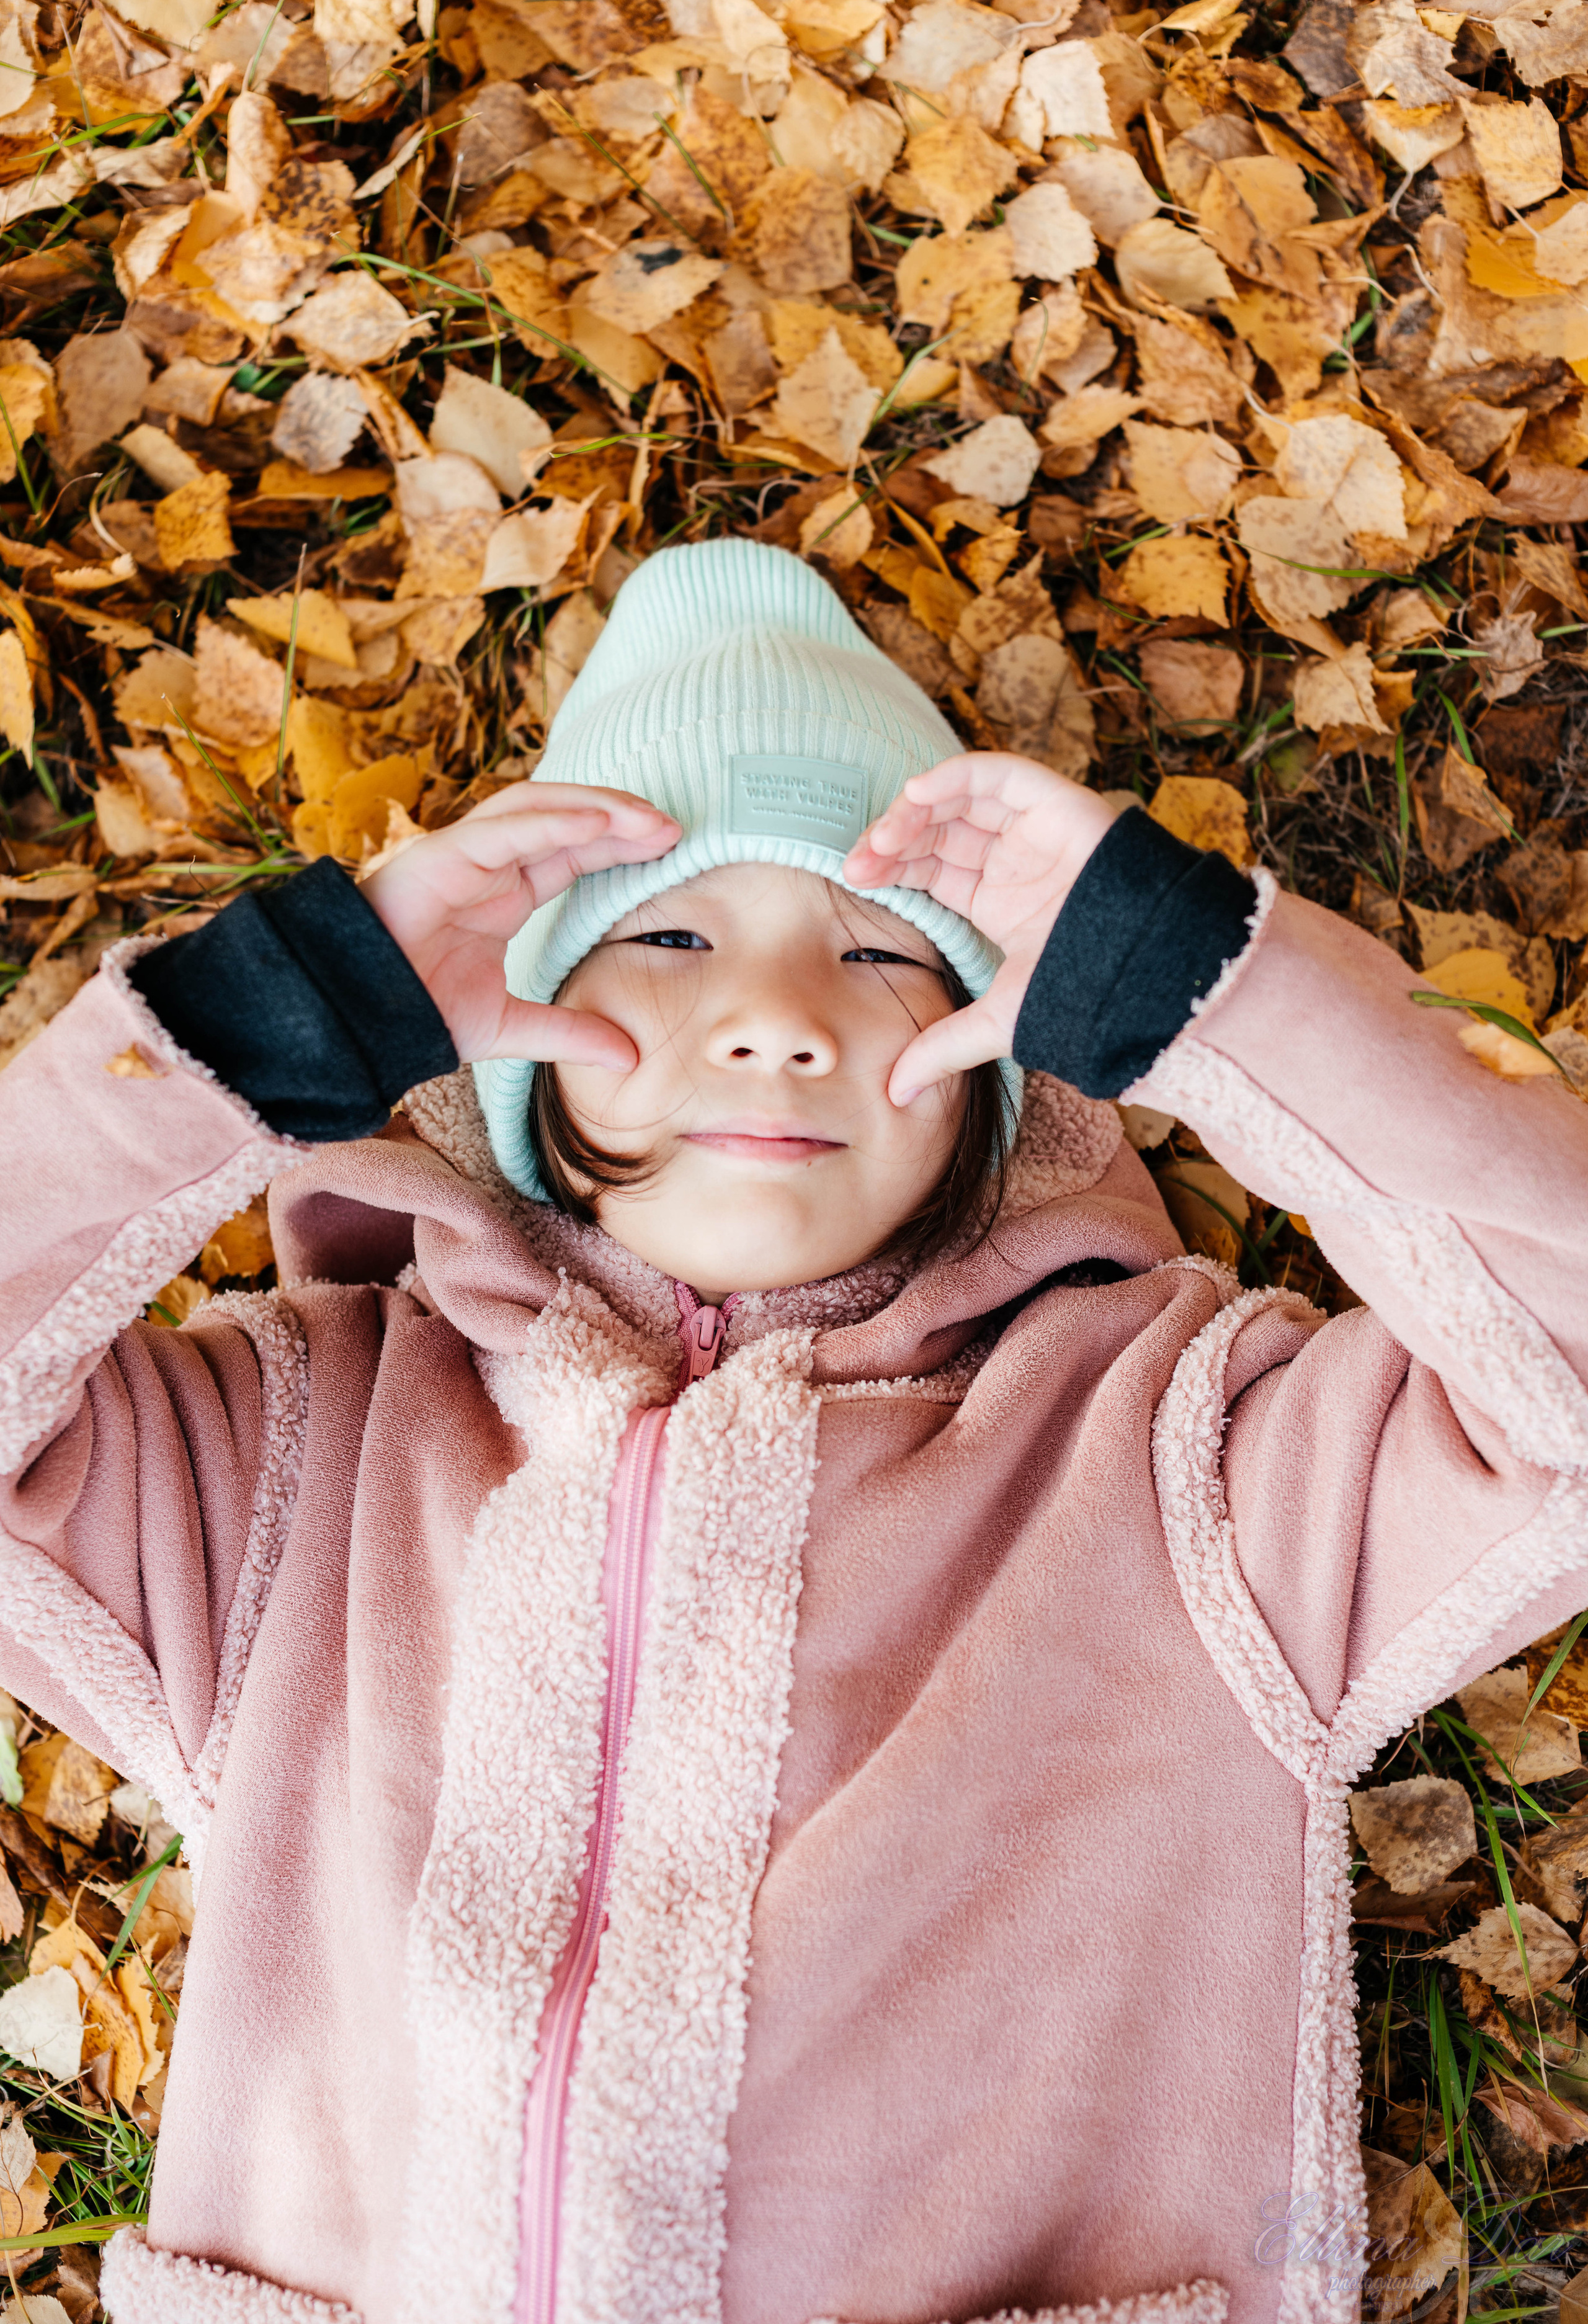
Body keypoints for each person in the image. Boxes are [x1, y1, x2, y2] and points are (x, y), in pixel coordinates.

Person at [1, 536, 1584, 2324]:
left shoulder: (1181, 1461)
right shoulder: (301, 1455)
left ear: (1011, 1064)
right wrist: (257, 1027)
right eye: (666, 935)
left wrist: (1217, 989)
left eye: (882, 949)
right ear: (508, 1041)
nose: (774, 1019)